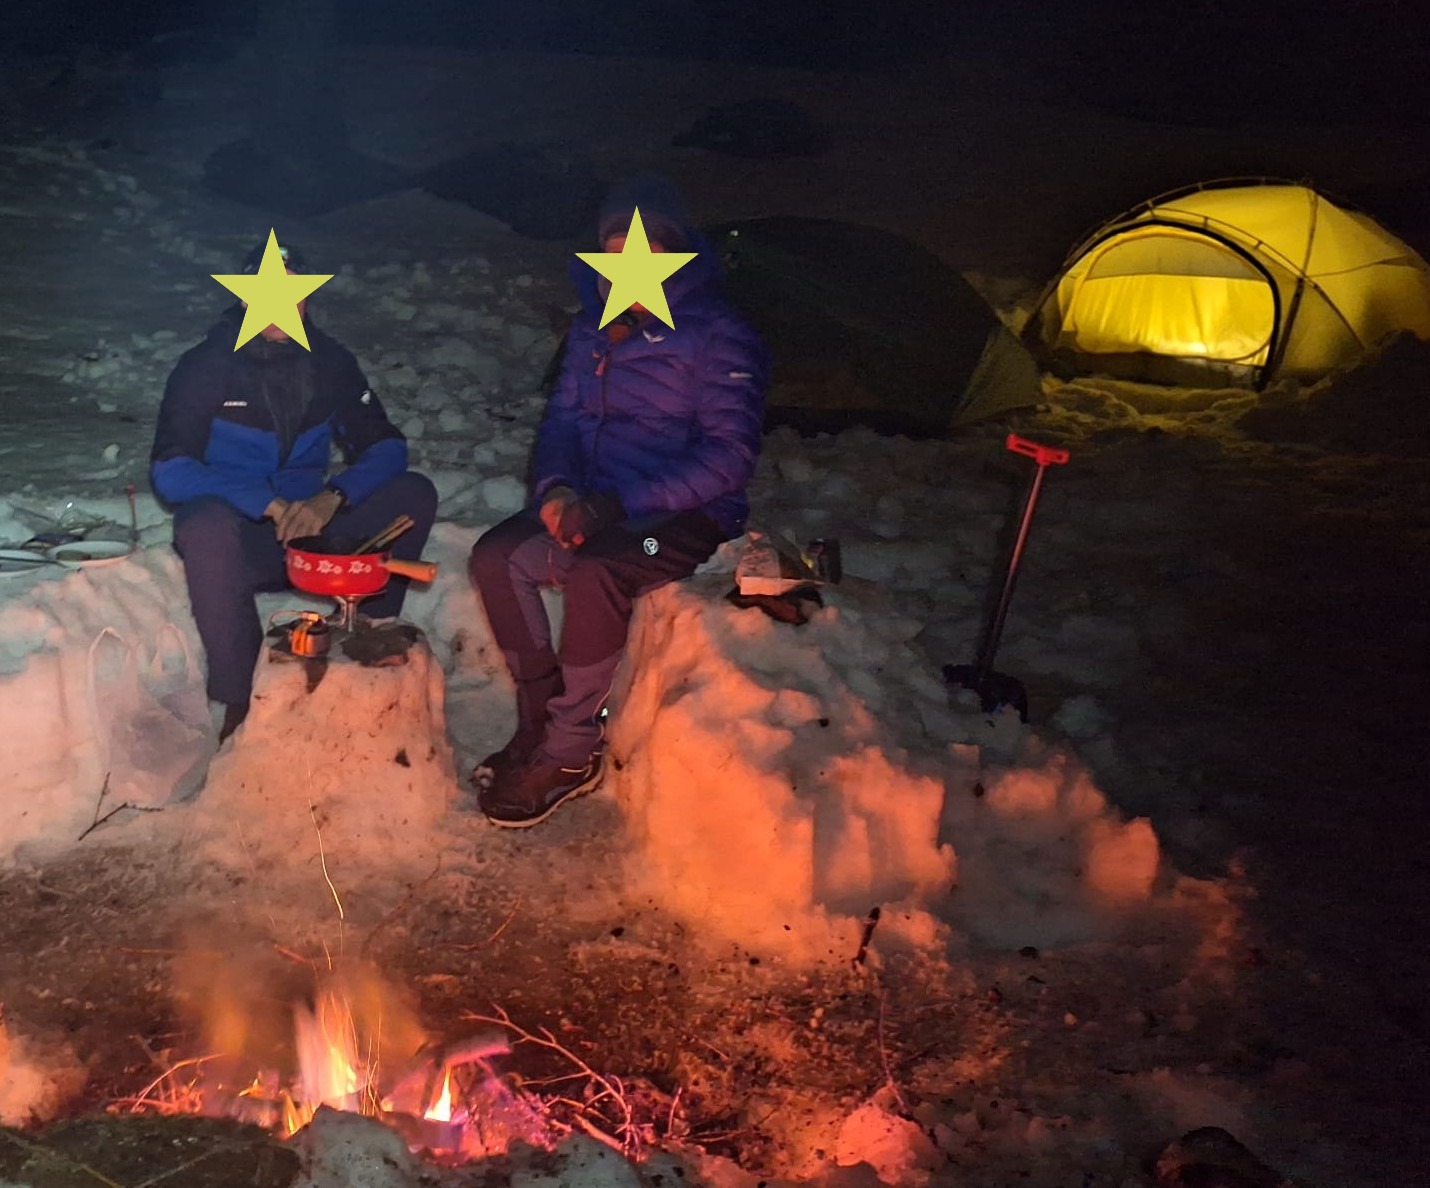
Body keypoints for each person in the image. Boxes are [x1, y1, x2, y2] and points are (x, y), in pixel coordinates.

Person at [468, 176, 769, 828]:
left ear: (677, 254)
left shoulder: (719, 333)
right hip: (595, 506)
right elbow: (563, 425)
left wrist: (613, 504)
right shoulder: (593, 330)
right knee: (498, 558)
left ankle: (574, 751)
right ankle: (539, 721)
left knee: (599, 568)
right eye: (615, 254)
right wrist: (558, 492)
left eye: (648, 253)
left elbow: (730, 456)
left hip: (686, 521)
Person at [151, 241, 437, 742]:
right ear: (242, 298)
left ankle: (365, 637)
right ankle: (241, 696)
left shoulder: (331, 363)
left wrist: (333, 498)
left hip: (313, 534)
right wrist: (264, 503)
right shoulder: (207, 366)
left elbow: (387, 446)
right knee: (203, 522)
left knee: (413, 493)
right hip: (245, 539)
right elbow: (171, 469)